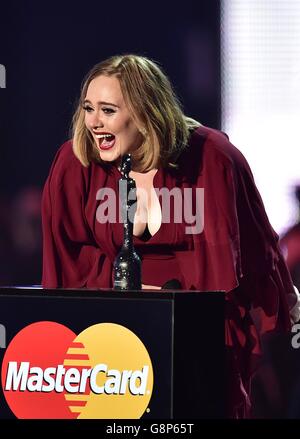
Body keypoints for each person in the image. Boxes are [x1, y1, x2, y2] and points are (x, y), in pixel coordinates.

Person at [41, 54, 300, 418]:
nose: (94, 123)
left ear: (146, 111)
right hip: (110, 335)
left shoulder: (214, 158)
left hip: (197, 334)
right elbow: (66, 264)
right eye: (88, 108)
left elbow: (247, 256)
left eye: (108, 110)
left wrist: (175, 305)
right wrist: (125, 293)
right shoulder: (75, 163)